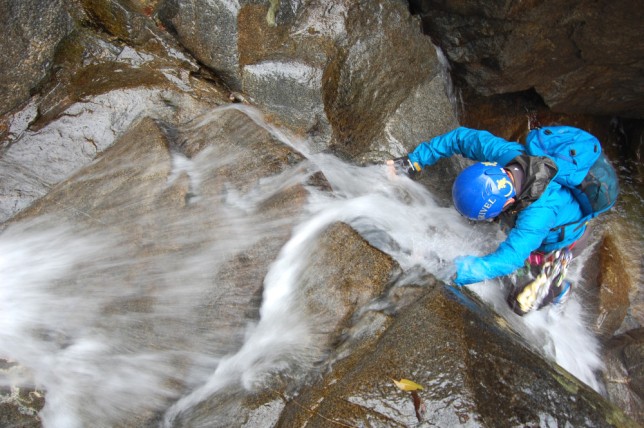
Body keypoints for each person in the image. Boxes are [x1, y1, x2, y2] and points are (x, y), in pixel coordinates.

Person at [387, 125, 600, 315]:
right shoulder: (506, 154)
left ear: (507, 204)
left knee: (518, 302)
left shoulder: (539, 213)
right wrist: (412, 162)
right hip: (536, 220)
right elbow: (460, 138)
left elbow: (510, 259)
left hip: (563, 240)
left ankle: (560, 289)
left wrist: (452, 270)